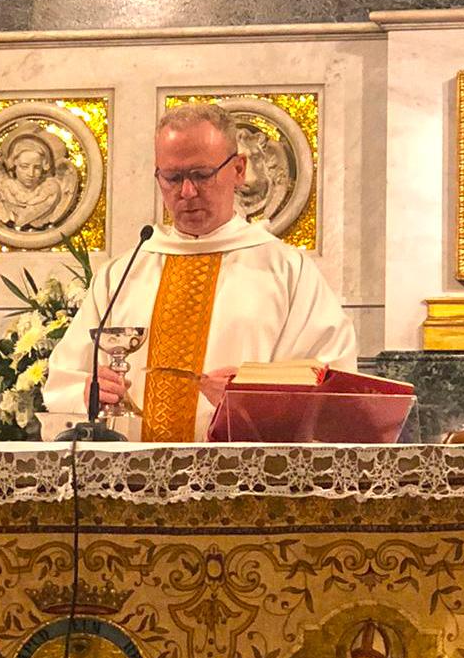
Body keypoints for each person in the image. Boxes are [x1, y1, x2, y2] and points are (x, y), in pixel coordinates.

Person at [43, 104, 357, 441]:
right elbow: (64, 381)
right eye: (173, 178)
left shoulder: (288, 272)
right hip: (130, 471)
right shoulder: (122, 274)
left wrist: (256, 399)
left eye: (202, 175)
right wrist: (88, 391)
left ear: (238, 170)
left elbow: (333, 387)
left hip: (244, 469)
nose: (187, 192)